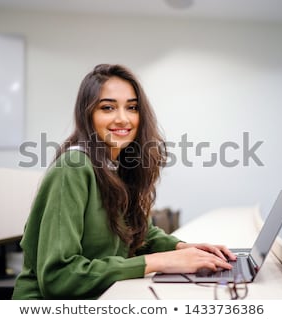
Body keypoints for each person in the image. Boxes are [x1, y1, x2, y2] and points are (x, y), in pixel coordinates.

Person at [12, 64, 236, 300]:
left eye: (132, 107)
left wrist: (182, 249)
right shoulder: (73, 167)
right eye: (108, 108)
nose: (123, 118)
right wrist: (160, 261)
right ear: (87, 115)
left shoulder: (117, 165)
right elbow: (58, 278)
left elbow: (140, 234)